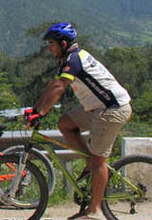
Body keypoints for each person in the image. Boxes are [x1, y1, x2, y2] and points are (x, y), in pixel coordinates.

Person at [25, 22, 132, 220]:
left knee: (100, 159)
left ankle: (95, 211)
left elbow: (59, 89)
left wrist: (40, 114)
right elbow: (52, 86)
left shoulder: (74, 60)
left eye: (51, 44)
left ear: (63, 43)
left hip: (111, 109)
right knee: (65, 124)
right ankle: (90, 162)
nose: (49, 48)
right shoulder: (70, 58)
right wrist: (35, 110)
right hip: (98, 107)